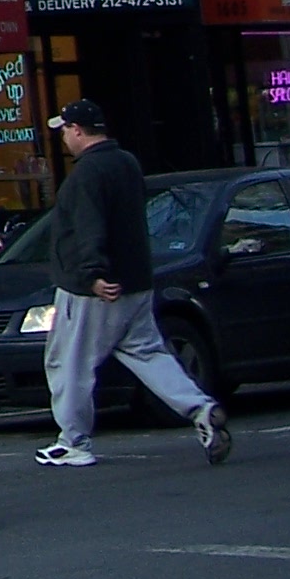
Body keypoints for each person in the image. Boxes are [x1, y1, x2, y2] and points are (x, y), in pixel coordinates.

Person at [35, 98, 231, 469]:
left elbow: (89, 226)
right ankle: (200, 407)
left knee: (69, 363)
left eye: (65, 130)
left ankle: (73, 441)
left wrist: (92, 274)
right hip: (136, 281)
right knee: (148, 352)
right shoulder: (127, 162)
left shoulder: (86, 174)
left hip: (94, 288)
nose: (63, 138)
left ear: (77, 130)